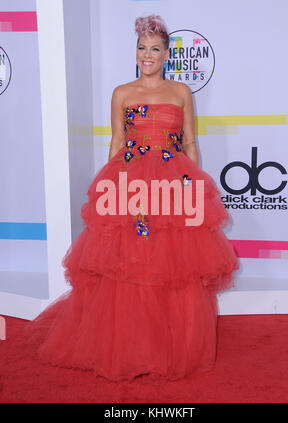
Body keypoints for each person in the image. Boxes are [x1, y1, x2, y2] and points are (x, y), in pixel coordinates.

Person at [24, 14, 239, 382]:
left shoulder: (181, 93)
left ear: (167, 54)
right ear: (135, 51)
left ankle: (167, 347)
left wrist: (192, 187)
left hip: (172, 183)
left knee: (170, 266)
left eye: (155, 49)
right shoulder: (122, 93)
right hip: (132, 184)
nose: (147, 55)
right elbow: (117, 142)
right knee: (132, 263)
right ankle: (131, 347)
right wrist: (109, 187)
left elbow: (189, 142)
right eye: (142, 48)